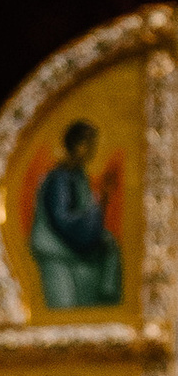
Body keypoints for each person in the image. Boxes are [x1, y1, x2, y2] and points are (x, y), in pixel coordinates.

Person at [29, 118, 123, 307]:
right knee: (64, 308)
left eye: (92, 145)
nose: (90, 150)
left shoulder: (79, 176)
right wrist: (98, 207)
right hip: (56, 253)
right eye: (87, 144)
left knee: (110, 246)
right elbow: (65, 222)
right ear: (75, 145)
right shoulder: (59, 179)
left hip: (73, 251)